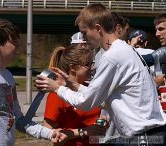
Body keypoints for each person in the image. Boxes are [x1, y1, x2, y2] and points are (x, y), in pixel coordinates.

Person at [35, 3, 166, 145]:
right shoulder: (124, 50)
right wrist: (72, 84)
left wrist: (57, 88)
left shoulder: (112, 57)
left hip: (142, 138)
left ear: (98, 29)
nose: (84, 38)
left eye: (84, 32)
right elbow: (101, 97)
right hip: (150, 136)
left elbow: (87, 102)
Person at [0, 19, 66, 146]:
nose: (17, 48)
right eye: (14, 43)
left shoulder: (7, 76)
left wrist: (50, 133)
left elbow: (19, 121)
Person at [44, 46, 103, 146]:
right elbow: (48, 131)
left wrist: (103, 121)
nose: (92, 68)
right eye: (87, 65)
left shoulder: (88, 89)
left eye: (92, 63)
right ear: (72, 68)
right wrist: (83, 131)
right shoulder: (57, 94)